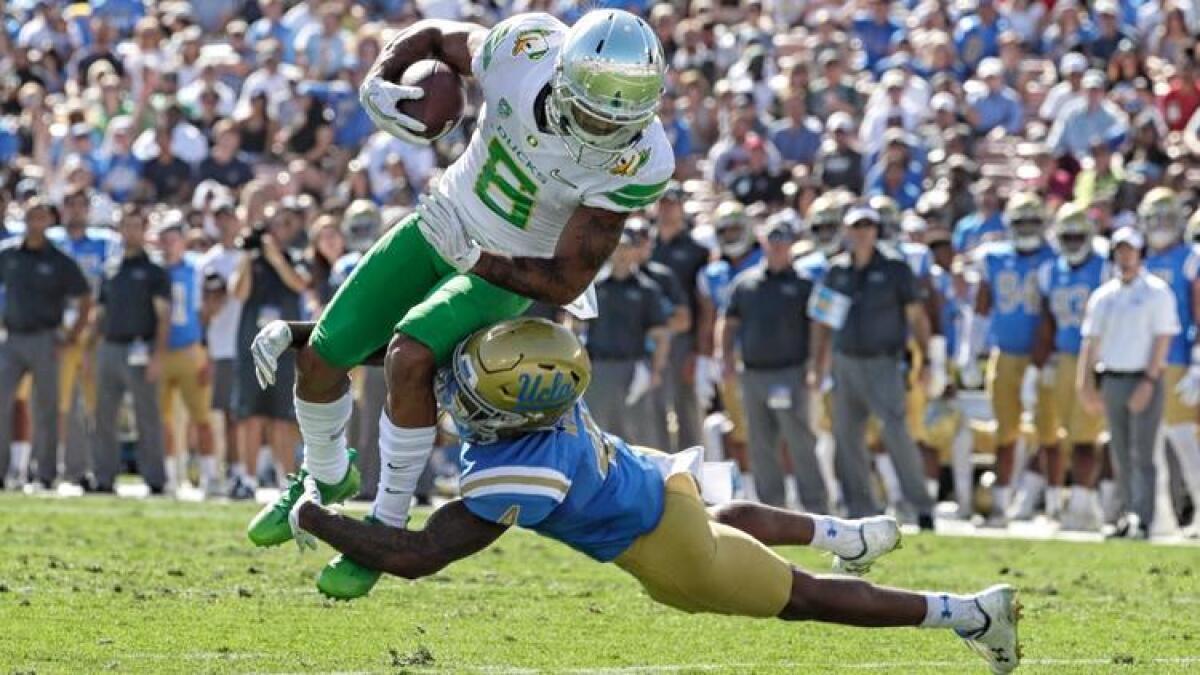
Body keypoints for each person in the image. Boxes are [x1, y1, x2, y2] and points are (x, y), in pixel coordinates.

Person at [284, 318, 1021, 675]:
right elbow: (429, 350)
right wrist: (313, 337)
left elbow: (417, 555)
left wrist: (315, 515)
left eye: (472, 398)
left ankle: (968, 613)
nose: (453, 397)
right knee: (727, 513)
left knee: (805, 597)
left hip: (667, 552)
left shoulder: (520, 472)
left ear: (510, 411)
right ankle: (844, 534)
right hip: (651, 477)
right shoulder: (546, 374)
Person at [246, 10, 675, 601]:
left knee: (409, 355)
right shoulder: (524, 51)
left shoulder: (640, 159)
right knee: (322, 359)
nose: (601, 132)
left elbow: (565, 281)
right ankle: (324, 477)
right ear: (562, 77)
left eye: (616, 121)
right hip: (442, 218)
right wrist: (382, 77)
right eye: (591, 112)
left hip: (509, 266)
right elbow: (434, 37)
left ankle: (386, 524)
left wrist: (476, 260)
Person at [808, 203, 935, 526]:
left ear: (876, 231)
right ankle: (859, 509)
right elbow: (822, 322)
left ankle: (920, 506)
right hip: (845, 361)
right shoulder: (837, 271)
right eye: (857, 227)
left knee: (896, 433)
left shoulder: (894, 268)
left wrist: (928, 357)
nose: (862, 233)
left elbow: (916, 316)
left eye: (868, 227)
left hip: (884, 362)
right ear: (847, 231)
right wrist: (817, 364)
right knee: (846, 437)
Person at [959, 193, 1057, 523]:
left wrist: (1039, 364)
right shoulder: (994, 257)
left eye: (1033, 221)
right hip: (1005, 354)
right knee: (1005, 432)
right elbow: (981, 310)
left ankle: (1046, 503)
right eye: (1021, 222)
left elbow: (1050, 315)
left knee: (1048, 432)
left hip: (1045, 356)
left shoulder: (1053, 258)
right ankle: (1001, 505)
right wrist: (969, 353)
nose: (1027, 228)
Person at [718, 217, 826, 511]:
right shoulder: (745, 283)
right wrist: (726, 358)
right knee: (760, 444)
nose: (778, 248)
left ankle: (815, 506)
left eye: (783, 242)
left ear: (791, 245)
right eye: (773, 241)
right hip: (752, 373)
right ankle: (772, 507)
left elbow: (818, 328)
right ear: (764, 243)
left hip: (791, 372)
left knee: (800, 441)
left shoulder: (805, 284)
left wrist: (816, 367)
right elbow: (729, 323)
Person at [1078, 227, 1179, 539]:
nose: (1125, 257)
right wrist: (1085, 384)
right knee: (1119, 451)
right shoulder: (1104, 295)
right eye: (1120, 250)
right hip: (1112, 377)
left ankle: (1143, 517)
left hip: (1142, 377)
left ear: (1140, 253)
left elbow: (1163, 339)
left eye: (1130, 250)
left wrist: (1149, 379)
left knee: (1143, 452)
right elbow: (1090, 342)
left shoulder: (1156, 291)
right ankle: (1125, 513)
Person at [0, 199, 90, 489]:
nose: (35, 224)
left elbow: (85, 297)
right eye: (30, 218)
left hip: (46, 338)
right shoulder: (9, 254)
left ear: (49, 222)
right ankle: (2, 471)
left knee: (47, 407)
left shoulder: (59, 260)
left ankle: (46, 473)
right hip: (12, 337)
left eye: (40, 218)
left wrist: (72, 336)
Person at [1033, 204, 1110, 528]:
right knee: (1064, 433)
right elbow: (1047, 318)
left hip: (1096, 357)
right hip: (1064, 357)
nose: (1074, 241)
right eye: (1068, 235)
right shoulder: (1050, 270)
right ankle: (1074, 503)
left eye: (1080, 235)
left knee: (1086, 436)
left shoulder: (1104, 266)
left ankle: (1084, 503)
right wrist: (1042, 361)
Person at [88, 205, 171, 494]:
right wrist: (91, 350)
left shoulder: (154, 270)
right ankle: (103, 477)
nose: (130, 231)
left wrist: (158, 355)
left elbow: (164, 316)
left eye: (136, 225)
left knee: (147, 416)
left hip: (141, 347)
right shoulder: (110, 268)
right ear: (119, 228)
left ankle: (155, 478)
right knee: (104, 416)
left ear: (144, 229)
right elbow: (99, 314)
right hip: (110, 347)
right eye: (126, 225)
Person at [232, 205, 310, 485]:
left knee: (282, 418)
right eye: (275, 225)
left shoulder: (295, 257)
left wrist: (275, 258)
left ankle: (286, 480)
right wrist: (247, 256)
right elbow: (238, 293)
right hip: (252, 348)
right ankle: (248, 480)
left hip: (286, 351)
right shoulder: (252, 261)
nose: (279, 231)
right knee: (251, 416)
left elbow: (300, 283)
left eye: (286, 224)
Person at [1138, 189, 1200, 531]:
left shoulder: (1191, 257)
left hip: (1178, 357)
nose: (1160, 226)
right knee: (1154, 442)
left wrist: (1197, 361)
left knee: (1183, 438)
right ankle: (1160, 516)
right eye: (1155, 218)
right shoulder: (1141, 258)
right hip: (1147, 360)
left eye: (1167, 218)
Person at [582, 227, 671, 445]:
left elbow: (660, 335)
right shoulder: (594, 287)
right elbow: (576, 327)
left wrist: (655, 371)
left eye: (626, 248)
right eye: (617, 248)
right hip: (598, 370)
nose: (621, 254)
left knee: (638, 435)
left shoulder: (647, 289)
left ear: (634, 252)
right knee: (598, 435)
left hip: (633, 370)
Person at [156, 218, 218, 496]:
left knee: (202, 417)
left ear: (183, 241)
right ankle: (170, 476)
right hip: (160, 351)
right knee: (163, 419)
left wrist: (206, 349)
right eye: (164, 240)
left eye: (173, 240)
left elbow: (211, 307)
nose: (169, 246)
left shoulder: (198, 268)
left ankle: (209, 476)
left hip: (191, 349)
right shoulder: (154, 271)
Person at [649, 182, 710, 451]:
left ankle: (691, 472)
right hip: (648, 337)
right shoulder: (645, 245)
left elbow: (705, 306)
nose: (667, 209)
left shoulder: (698, 250)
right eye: (662, 203)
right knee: (653, 406)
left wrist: (699, 350)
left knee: (686, 407)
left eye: (672, 203)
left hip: (684, 339)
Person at [199, 202, 246, 498]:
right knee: (228, 414)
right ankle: (231, 471)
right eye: (220, 218)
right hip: (222, 345)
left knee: (249, 414)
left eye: (230, 216)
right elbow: (204, 311)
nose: (226, 223)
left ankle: (249, 471)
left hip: (249, 342)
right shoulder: (208, 261)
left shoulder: (248, 256)